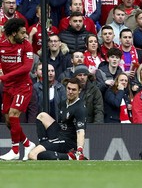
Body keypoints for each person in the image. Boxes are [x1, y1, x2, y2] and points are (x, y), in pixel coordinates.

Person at [0, 18, 35, 160]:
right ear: (13, 33)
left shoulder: (26, 45)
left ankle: (15, 150)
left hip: (23, 86)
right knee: (8, 121)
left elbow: (26, 68)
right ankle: (27, 144)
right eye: (22, 33)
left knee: (14, 115)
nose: (25, 36)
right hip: (8, 87)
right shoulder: (1, 43)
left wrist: (4, 77)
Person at [28, 78, 87, 160]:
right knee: (42, 116)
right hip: (60, 133)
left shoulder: (80, 108)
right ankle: (44, 144)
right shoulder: (63, 103)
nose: (70, 92)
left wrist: (80, 149)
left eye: (74, 90)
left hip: (68, 142)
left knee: (32, 155)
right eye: (69, 88)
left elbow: (81, 131)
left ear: (79, 91)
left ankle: (70, 157)